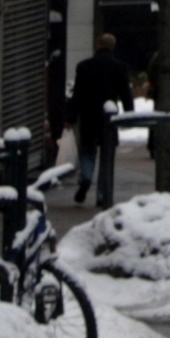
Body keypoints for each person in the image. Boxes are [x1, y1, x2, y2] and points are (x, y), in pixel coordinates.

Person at [66, 31, 133, 206]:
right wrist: (129, 113)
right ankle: (102, 195)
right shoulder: (120, 67)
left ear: (98, 45)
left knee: (87, 151)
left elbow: (78, 94)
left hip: (88, 116)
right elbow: (125, 93)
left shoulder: (84, 66)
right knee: (107, 157)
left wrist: (70, 116)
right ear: (113, 47)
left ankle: (86, 178)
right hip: (108, 118)